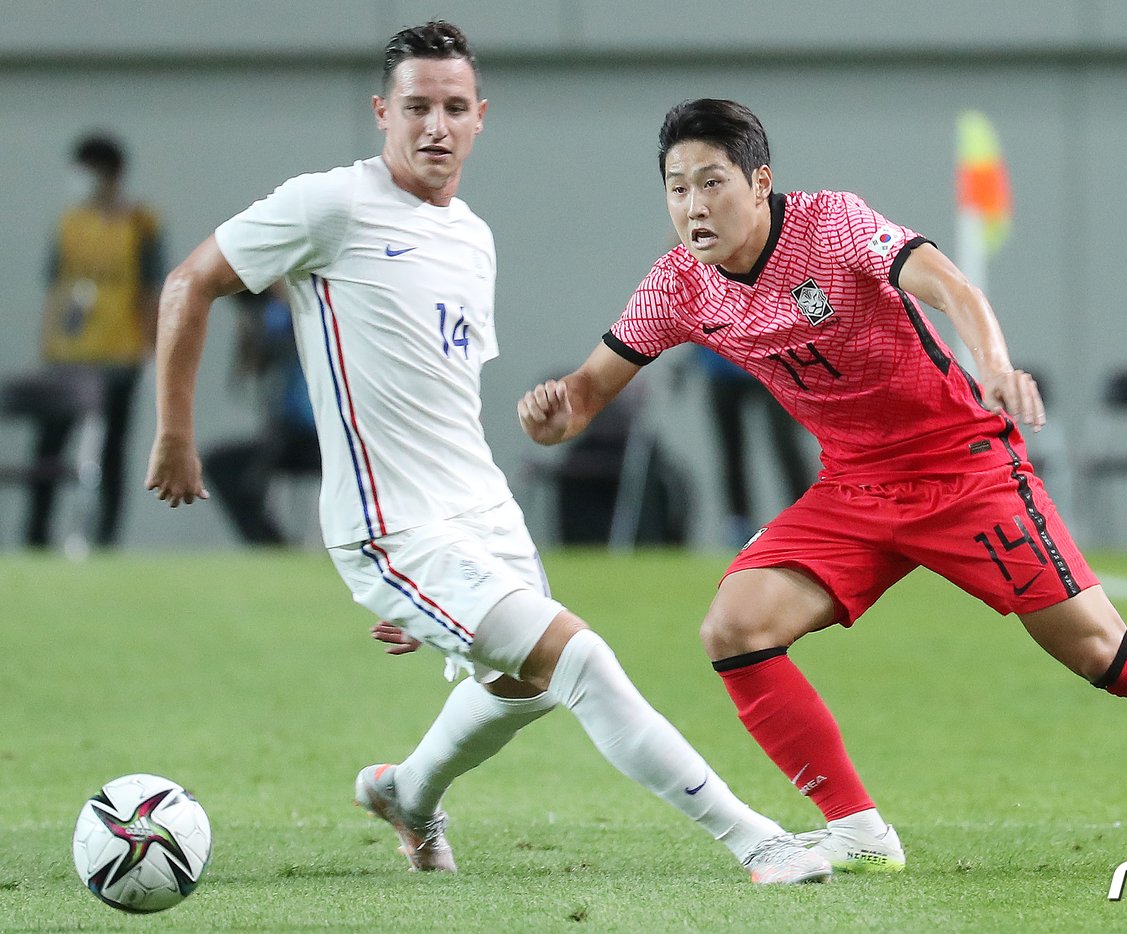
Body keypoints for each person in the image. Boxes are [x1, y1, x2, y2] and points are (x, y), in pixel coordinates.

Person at [517, 99, 1127, 874]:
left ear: (760, 180)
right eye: (676, 189)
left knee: (1098, 651)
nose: (694, 206)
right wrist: (553, 415)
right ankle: (856, 830)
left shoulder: (833, 226)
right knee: (734, 627)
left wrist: (993, 365)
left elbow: (949, 285)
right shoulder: (676, 285)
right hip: (853, 491)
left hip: (964, 470)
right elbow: (584, 398)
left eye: (712, 182)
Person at [144, 26, 828, 885]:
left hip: (477, 509)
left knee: (528, 685)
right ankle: (756, 841)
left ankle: (408, 793)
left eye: (454, 108)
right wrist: (175, 432)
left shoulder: (472, 236)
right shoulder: (329, 205)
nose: (436, 125)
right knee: (578, 659)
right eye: (418, 107)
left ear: (479, 119)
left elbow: (438, 395)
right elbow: (189, 282)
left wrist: (438, 591)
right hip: (392, 526)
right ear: (382, 112)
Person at [28, 133, 165, 549]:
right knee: (49, 446)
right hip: (68, 354)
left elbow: (151, 288)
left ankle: (105, 538)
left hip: (118, 353)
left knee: (112, 450)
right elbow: (56, 285)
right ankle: (36, 535)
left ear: (110, 174)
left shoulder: (140, 223)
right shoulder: (69, 223)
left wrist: (152, 349)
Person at [202, 285, 320, 546]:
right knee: (223, 467)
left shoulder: (311, 306)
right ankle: (272, 547)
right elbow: (250, 369)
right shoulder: (269, 314)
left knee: (253, 475)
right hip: (291, 436)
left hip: (332, 438)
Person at [692, 346, 813, 547]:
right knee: (730, 452)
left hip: (772, 360)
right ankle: (738, 524)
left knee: (785, 444)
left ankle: (807, 519)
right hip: (721, 363)